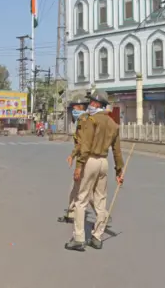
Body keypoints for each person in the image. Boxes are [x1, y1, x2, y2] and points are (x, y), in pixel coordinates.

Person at [65, 89, 124, 252]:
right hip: (103, 162)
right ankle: (97, 237)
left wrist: (79, 166)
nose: (89, 104)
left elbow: (85, 146)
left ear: (98, 104)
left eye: (92, 102)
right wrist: (119, 171)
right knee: (100, 200)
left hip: (90, 160)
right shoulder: (113, 124)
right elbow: (117, 151)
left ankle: (79, 238)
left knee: (81, 199)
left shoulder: (91, 120)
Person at [58, 95, 91, 224]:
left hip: (86, 160)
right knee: (75, 189)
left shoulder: (86, 121)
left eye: (74, 108)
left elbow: (83, 145)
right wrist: (72, 155)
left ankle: (102, 216)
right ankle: (71, 213)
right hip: (83, 158)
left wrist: (79, 165)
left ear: (80, 107)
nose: (73, 110)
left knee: (89, 193)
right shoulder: (81, 121)